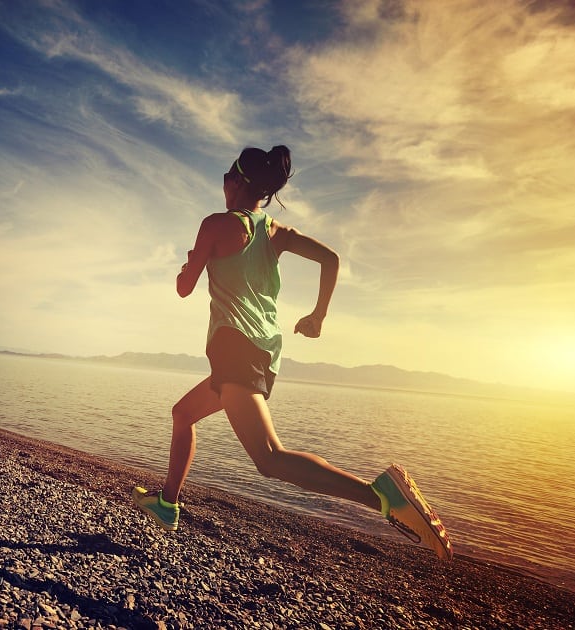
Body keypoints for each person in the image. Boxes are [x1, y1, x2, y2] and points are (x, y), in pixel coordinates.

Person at [132, 146, 452, 561]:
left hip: (234, 348)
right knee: (183, 414)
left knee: (269, 459)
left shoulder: (216, 225)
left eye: (226, 176)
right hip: (263, 351)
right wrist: (318, 316)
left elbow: (183, 287)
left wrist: (191, 261)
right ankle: (167, 503)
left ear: (237, 181)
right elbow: (331, 259)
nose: (223, 184)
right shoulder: (276, 231)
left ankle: (383, 498)